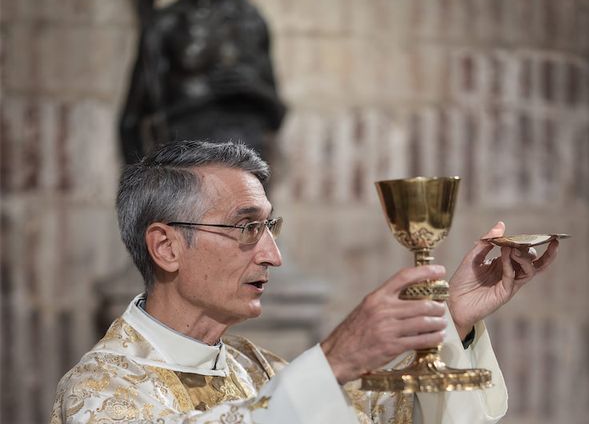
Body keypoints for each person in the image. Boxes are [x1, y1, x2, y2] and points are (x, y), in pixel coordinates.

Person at [49, 140, 559, 423]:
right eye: (248, 227)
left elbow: (373, 418)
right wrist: (334, 358)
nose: (272, 255)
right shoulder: (99, 391)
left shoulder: (258, 366)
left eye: (271, 227)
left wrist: (451, 319)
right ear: (166, 247)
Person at [120, 0, 286, 164]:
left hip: (246, 162)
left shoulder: (252, 22)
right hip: (186, 161)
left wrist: (254, 88)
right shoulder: (167, 24)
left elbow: (277, 115)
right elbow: (131, 121)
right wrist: (139, 182)